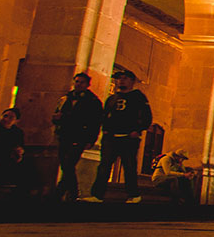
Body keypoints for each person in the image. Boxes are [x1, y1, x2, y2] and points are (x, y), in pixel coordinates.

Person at [83, 69, 152, 203]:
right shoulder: (112, 99)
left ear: (132, 81)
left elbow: (146, 116)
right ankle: (97, 194)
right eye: (120, 78)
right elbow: (104, 116)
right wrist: (106, 131)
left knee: (129, 167)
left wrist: (137, 130)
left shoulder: (138, 97)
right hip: (111, 137)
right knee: (104, 166)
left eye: (125, 78)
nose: (121, 81)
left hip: (128, 137)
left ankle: (133, 194)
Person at [52, 72, 102, 201]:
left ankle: (60, 193)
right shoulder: (66, 98)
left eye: (81, 82)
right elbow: (57, 113)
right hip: (64, 135)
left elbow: (95, 122)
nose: (78, 84)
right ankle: (72, 191)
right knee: (65, 164)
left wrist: (91, 139)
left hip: (79, 136)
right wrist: (57, 119)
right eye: (77, 81)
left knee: (69, 163)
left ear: (87, 84)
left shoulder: (92, 101)